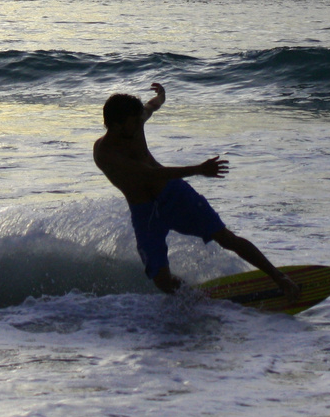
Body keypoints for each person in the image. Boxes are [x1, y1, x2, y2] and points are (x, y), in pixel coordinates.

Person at [94, 82, 299, 298]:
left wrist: (162, 95)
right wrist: (199, 170)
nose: (140, 123)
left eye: (139, 119)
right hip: (145, 214)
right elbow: (149, 174)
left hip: (172, 195)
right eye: (134, 121)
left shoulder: (136, 120)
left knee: (226, 238)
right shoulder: (105, 154)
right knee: (162, 281)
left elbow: (152, 106)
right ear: (116, 126)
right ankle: (196, 300)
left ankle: (281, 279)